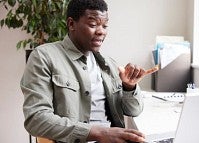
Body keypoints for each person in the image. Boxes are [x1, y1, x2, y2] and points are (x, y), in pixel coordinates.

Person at [20, 0, 157, 142]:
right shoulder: (44, 56)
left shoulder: (109, 64)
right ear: (71, 24)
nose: (101, 31)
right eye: (93, 25)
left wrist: (129, 87)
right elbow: (36, 119)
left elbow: (133, 110)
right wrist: (98, 133)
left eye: (105, 26)